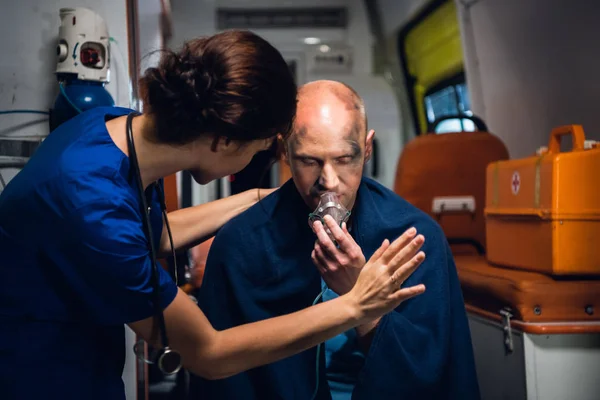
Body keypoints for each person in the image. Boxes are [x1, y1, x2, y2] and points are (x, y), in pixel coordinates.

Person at [0, 32, 426, 400]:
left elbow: (150, 236)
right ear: (223, 141)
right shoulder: (88, 205)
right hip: (38, 372)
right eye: (257, 150)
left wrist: (262, 196)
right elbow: (209, 354)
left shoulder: (108, 126)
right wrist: (357, 305)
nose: (249, 166)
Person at [189, 80, 480, 399]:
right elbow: (222, 380)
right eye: (309, 161)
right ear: (285, 151)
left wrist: (362, 297)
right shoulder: (242, 242)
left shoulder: (413, 236)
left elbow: (432, 374)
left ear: (367, 148)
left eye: (344, 159)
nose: (328, 181)